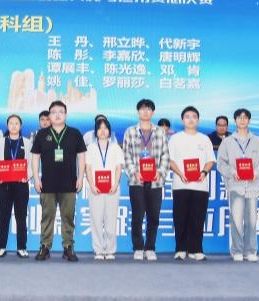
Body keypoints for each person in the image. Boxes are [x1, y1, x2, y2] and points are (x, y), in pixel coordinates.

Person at [31, 100, 87, 262]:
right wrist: (36, 178)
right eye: (54, 112)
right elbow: (35, 157)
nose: (57, 115)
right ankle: (45, 246)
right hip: (47, 183)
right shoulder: (42, 134)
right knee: (47, 216)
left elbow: (81, 156)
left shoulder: (74, 133)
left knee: (68, 217)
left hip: (69, 183)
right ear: (49, 115)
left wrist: (80, 177)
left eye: (61, 112)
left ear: (66, 115)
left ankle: (68, 247)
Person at [217, 108, 259, 263]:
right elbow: (221, 164)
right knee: (236, 220)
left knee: (251, 221)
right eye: (239, 117)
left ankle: (250, 251)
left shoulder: (257, 141)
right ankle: (237, 251)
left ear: (249, 120)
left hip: (252, 186)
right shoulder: (227, 142)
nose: (242, 120)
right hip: (235, 186)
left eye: (245, 117)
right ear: (235, 121)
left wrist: (256, 173)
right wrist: (232, 172)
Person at [122, 99, 170, 262]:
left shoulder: (160, 132)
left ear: (153, 112)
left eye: (148, 109)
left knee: (154, 216)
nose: (145, 112)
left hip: (155, 181)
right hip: (137, 181)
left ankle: (150, 247)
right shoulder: (130, 131)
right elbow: (126, 155)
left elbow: (165, 155)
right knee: (137, 215)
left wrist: (160, 172)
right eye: (142, 109)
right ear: (138, 112)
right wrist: (134, 172)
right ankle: (137, 247)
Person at [168, 106, 216, 261]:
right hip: (180, 184)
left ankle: (196, 249)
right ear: (183, 120)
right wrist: (180, 174)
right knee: (180, 218)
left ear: (198, 120)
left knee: (198, 218)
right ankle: (180, 249)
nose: (191, 119)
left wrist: (204, 172)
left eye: (194, 116)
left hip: (200, 186)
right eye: (187, 117)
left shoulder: (204, 139)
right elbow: (170, 160)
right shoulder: (175, 138)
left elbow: (210, 160)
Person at [0, 114, 33, 258]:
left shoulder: (27, 142)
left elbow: (31, 163)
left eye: (16, 123)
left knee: (21, 217)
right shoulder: (0, 142)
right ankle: (1, 247)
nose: (14, 126)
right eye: (11, 123)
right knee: (4, 217)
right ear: (7, 125)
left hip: (21, 185)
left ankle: (22, 247)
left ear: (20, 126)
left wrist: (27, 176)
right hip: (4, 185)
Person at [85, 117, 124, 261]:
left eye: (105, 128)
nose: (102, 131)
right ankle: (99, 250)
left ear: (109, 131)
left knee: (111, 220)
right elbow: (88, 168)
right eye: (100, 128)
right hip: (95, 189)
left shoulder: (115, 147)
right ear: (95, 132)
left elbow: (118, 167)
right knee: (96, 220)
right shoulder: (90, 148)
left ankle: (110, 250)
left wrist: (115, 184)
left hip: (112, 189)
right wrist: (92, 185)